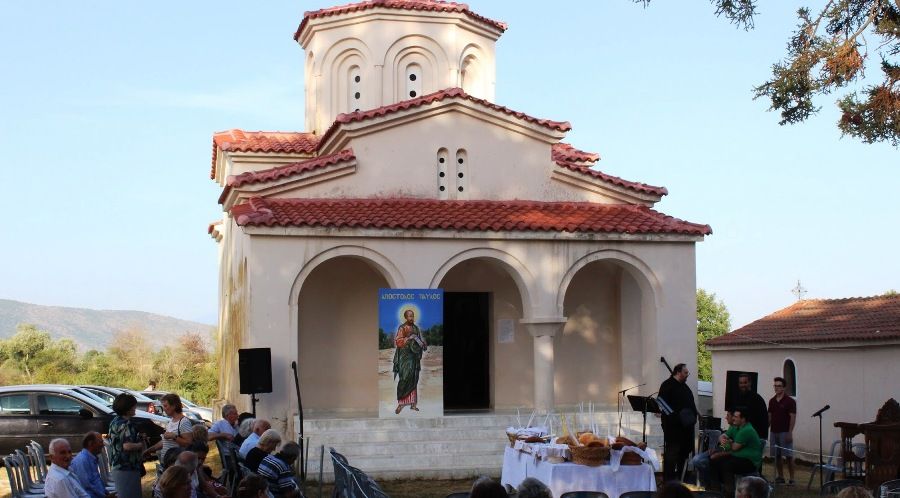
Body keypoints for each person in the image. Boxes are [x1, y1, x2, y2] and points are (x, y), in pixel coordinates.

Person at [708, 407, 763, 498]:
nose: (733, 418)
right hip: (737, 456)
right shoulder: (735, 427)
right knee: (714, 461)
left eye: (736, 417)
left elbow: (734, 447)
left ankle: (729, 493)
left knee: (727, 466)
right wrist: (722, 439)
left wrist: (727, 442)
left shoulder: (747, 430)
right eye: (733, 416)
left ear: (743, 419)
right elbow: (723, 436)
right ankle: (715, 491)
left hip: (750, 461)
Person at [658, 363, 697, 481]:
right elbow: (661, 402)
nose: (687, 375)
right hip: (673, 429)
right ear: (678, 372)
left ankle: (682, 480)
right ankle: (669, 482)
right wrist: (675, 417)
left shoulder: (685, 387)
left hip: (686, 429)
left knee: (683, 455)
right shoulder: (667, 385)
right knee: (672, 455)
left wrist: (692, 418)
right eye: (685, 373)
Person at [108, 393, 147, 498]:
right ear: (127, 408)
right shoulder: (125, 424)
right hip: (127, 467)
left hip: (118, 466)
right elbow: (127, 446)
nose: (135, 408)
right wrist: (140, 444)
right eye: (133, 406)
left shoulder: (115, 421)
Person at [393, 308, 427, 414]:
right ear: (405, 317)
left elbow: (419, 341)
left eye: (413, 316)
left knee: (413, 379)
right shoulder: (402, 328)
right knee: (404, 379)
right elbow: (398, 342)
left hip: (414, 358)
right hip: (404, 358)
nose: (412, 318)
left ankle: (413, 404)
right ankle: (400, 404)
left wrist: (422, 344)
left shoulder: (416, 328)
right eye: (410, 316)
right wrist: (409, 338)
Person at [148, 393, 194, 466]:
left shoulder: (184, 422)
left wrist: (174, 436)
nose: (164, 409)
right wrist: (149, 450)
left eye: (166, 406)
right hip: (167, 463)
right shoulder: (171, 421)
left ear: (174, 406)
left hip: (177, 464)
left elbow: (188, 443)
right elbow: (165, 441)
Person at [768, 376, 797, 485]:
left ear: (784, 388)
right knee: (777, 456)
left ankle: (792, 478)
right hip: (774, 431)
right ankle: (780, 477)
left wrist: (790, 432)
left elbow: (792, 417)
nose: (776, 388)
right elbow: (769, 417)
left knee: (788, 456)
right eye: (775, 386)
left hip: (785, 432)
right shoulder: (771, 401)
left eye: (779, 386)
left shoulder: (790, 401)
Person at [69, 432, 114, 498]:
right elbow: (86, 489)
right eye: (100, 442)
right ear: (91, 444)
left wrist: (105, 492)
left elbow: (95, 483)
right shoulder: (82, 461)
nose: (103, 445)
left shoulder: (91, 458)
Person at [726, 373, 769, 440]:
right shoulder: (736, 398)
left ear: (750, 383)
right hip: (740, 435)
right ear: (738, 384)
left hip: (754, 436)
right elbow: (732, 416)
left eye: (745, 382)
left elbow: (764, 419)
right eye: (741, 383)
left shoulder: (757, 399)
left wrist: (761, 437)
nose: (743, 385)